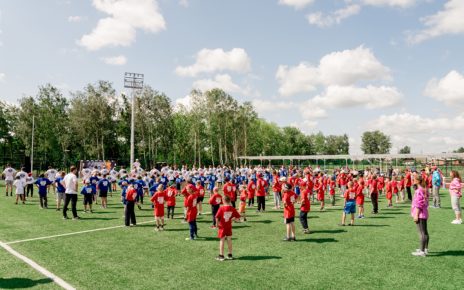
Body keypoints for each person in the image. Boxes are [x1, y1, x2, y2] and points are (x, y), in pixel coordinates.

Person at [215, 195, 241, 261]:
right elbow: (238, 217)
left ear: (223, 201)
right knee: (229, 239)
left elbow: (217, 217)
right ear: (229, 201)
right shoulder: (232, 208)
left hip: (222, 227)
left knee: (222, 240)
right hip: (229, 226)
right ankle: (230, 254)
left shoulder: (221, 208)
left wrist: (217, 224)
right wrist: (232, 219)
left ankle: (221, 255)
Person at [411, 175, 429, 257]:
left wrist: (416, 215)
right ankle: (425, 248)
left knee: (421, 233)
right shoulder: (424, 189)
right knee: (425, 232)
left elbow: (418, 204)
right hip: (424, 213)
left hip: (420, 214)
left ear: (418, 181)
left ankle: (422, 251)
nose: (413, 180)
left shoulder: (419, 191)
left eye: (414, 179)